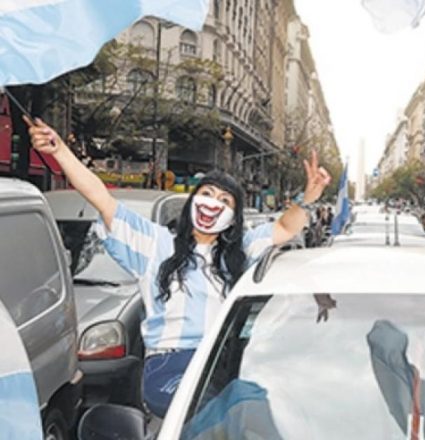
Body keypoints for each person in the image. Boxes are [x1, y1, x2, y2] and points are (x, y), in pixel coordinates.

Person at [26, 116, 332, 417]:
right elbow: (101, 198)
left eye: (225, 200)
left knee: (267, 412)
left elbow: (285, 228)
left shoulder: (239, 252)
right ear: (192, 201)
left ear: (232, 218)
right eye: (207, 194)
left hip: (222, 363)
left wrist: (307, 198)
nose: (214, 204)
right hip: (169, 367)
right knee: (209, 413)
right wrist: (60, 151)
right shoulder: (156, 245)